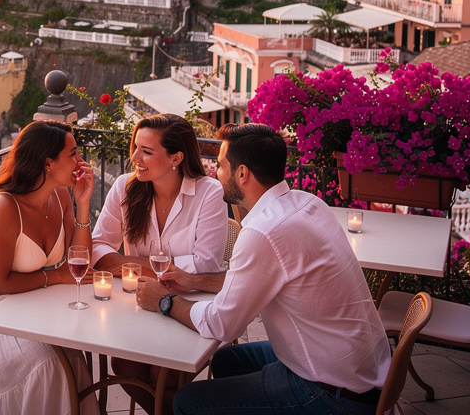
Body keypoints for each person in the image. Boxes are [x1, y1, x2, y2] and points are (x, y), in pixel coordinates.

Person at [136, 123, 391, 415]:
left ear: (242, 174)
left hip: (332, 391)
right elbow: (258, 280)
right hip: (362, 368)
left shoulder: (262, 232)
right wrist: (194, 280)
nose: (215, 174)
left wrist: (164, 301)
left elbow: (223, 325)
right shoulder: (307, 203)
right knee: (224, 362)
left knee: (188, 402)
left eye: (220, 166)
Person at [0, 120, 99, 415]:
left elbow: (80, 259)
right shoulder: (4, 207)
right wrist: (56, 276)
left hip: (27, 306)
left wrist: (83, 205)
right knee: (47, 363)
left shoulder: (61, 195)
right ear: (48, 163)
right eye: (74, 154)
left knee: (71, 353)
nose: (81, 161)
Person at [91, 113, 232, 412]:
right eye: (135, 147)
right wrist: (152, 268)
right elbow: (98, 248)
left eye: (147, 151)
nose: (135, 157)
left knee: (162, 375)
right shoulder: (124, 188)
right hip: (138, 304)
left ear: (176, 157)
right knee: (125, 367)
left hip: (190, 302)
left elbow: (204, 263)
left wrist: (128, 263)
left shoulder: (209, 193)